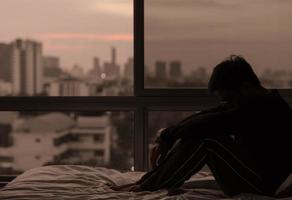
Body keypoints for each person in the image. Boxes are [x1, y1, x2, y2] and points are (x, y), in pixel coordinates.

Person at [112, 55, 292, 197]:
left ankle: (148, 186)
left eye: (228, 98)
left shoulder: (264, 110)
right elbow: (205, 116)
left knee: (208, 141)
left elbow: (209, 123)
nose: (227, 104)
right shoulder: (251, 102)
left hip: (260, 186)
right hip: (251, 175)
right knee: (202, 132)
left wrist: (169, 135)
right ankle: (149, 182)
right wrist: (167, 135)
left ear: (245, 87)